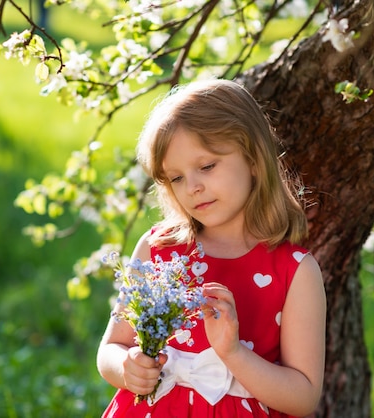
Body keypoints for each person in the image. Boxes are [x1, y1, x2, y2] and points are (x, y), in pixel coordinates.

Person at [96, 79, 326, 417]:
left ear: (252, 159)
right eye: (175, 178)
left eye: (206, 166)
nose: (193, 187)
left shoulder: (294, 271)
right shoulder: (158, 250)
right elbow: (112, 347)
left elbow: (303, 397)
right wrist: (128, 367)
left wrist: (232, 353)